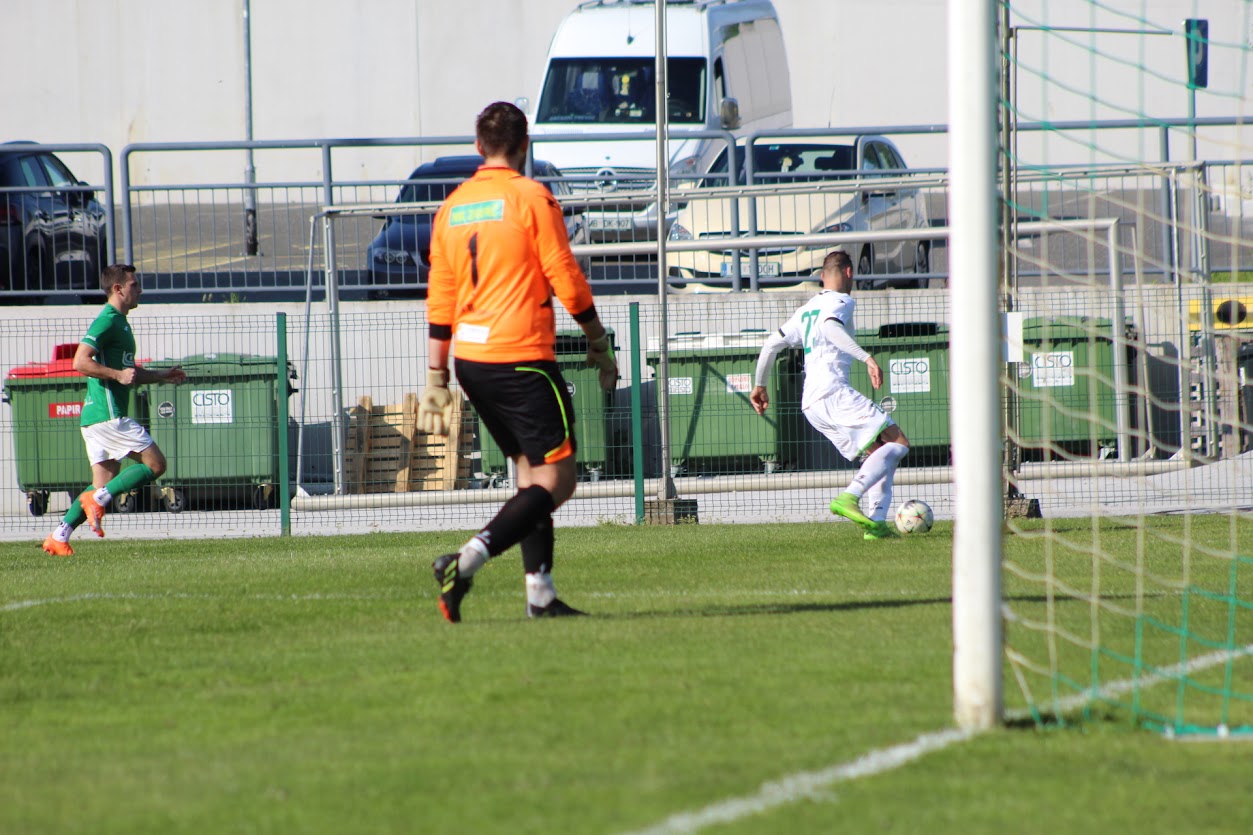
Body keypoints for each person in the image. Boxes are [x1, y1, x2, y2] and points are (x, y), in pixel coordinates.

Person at [419, 101, 618, 622]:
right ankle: (465, 561)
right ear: (524, 145)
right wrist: (598, 340)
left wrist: (436, 374)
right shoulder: (531, 197)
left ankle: (540, 595)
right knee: (558, 481)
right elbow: (565, 276)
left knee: (530, 478)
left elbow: (440, 295)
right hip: (521, 358)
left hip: (472, 362)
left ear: (478, 146)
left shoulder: (452, 207)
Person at [749, 249, 910, 540]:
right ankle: (849, 497)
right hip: (833, 392)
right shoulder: (842, 301)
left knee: (878, 455)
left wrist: (760, 385)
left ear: (822, 276)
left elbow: (771, 345)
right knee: (898, 443)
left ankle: (876, 525)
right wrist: (867, 358)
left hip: (811, 404)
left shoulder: (806, 309)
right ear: (849, 272)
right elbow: (829, 327)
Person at [41, 264, 186, 556]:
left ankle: (58, 536)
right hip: (108, 416)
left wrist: (162, 375)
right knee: (156, 465)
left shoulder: (121, 322)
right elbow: (80, 361)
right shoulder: (107, 321)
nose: (140, 290)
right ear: (118, 289)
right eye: (134, 285)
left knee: (99, 486)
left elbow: (130, 371)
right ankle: (98, 500)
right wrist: (117, 375)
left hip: (94, 418)